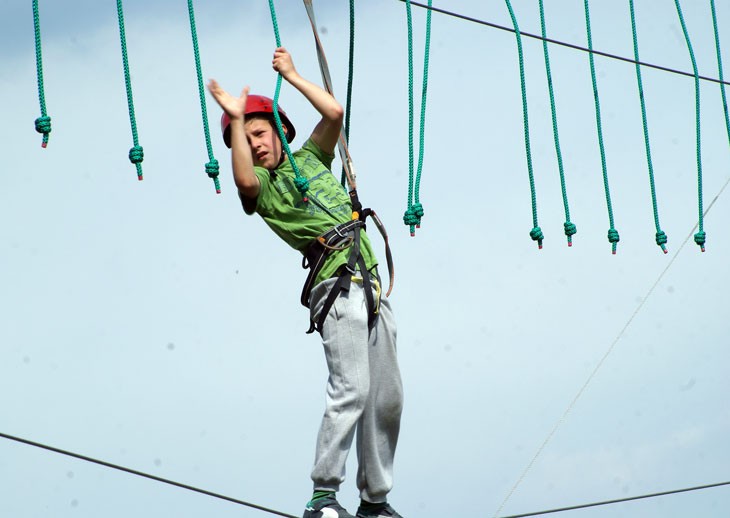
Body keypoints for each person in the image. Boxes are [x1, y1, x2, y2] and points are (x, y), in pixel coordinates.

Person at [207, 47, 404, 518]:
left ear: (280, 132)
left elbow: (333, 113)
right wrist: (237, 119)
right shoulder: (263, 188)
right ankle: (323, 494)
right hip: (335, 287)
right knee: (352, 389)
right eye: (245, 140)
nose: (255, 144)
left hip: (370, 285)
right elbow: (244, 181)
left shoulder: (313, 158)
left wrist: (292, 75)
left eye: (260, 133)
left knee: (387, 398)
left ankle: (375, 501)